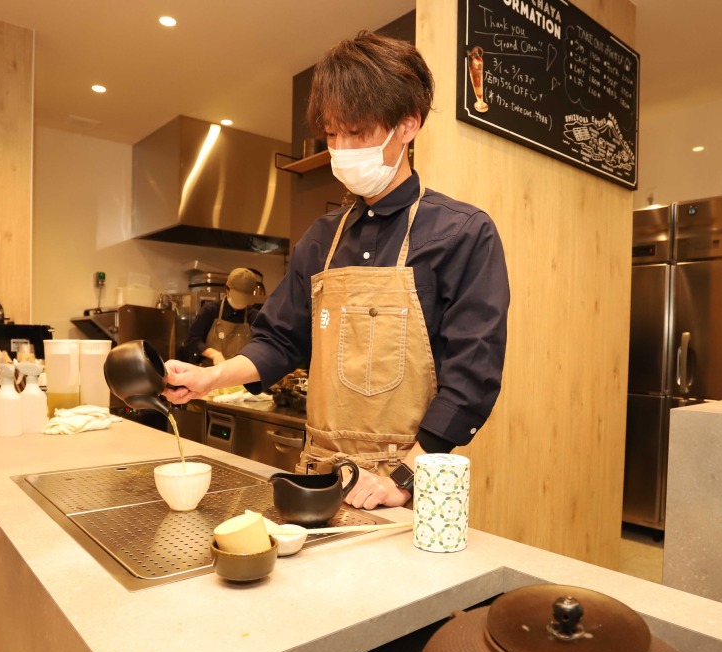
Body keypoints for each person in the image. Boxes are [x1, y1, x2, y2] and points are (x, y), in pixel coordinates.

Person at [164, 31, 510, 510]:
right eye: (332, 134)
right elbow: (280, 340)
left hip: (407, 485)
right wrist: (210, 379)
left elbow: (473, 375)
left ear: (408, 125)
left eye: (357, 133)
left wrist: (403, 477)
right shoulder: (321, 239)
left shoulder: (463, 234)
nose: (342, 149)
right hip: (319, 476)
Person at [181, 268, 262, 366]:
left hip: (239, 373)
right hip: (210, 371)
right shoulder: (210, 310)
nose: (241, 302)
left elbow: (261, 347)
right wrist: (215, 355)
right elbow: (191, 340)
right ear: (227, 290)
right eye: (238, 297)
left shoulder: (254, 317)